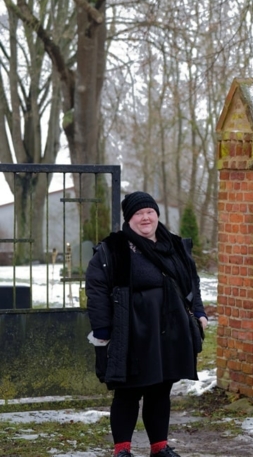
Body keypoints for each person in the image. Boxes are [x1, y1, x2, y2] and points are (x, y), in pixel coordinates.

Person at [86, 191, 208, 457]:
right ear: (129, 219)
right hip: (131, 330)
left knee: (160, 388)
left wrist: (199, 312)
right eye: (138, 213)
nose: (145, 217)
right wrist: (103, 330)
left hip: (170, 328)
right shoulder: (113, 248)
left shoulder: (174, 245)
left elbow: (191, 282)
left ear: (157, 215)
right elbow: (96, 289)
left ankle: (159, 447)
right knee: (129, 391)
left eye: (149, 212)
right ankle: (122, 450)